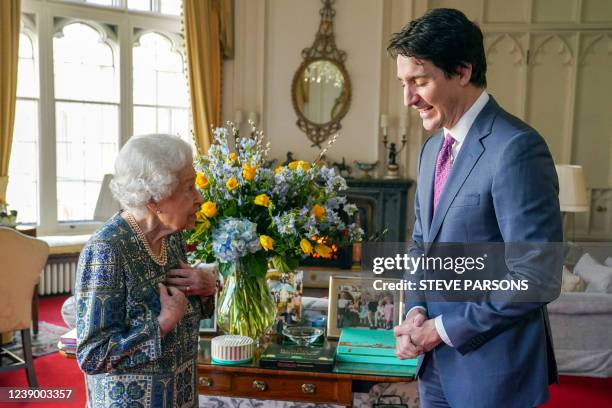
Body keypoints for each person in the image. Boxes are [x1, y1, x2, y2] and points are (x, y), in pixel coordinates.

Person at [388, 9, 562, 408]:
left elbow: (536, 274)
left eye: (420, 81)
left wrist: (442, 329)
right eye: (403, 83)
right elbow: (421, 244)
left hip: (495, 375)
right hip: (434, 370)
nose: (408, 98)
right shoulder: (432, 149)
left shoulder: (516, 148)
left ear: (462, 72)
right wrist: (416, 310)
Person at [75, 134, 218, 408]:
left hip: (181, 396)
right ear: (155, 199)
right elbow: (93, 356)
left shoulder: (171, 236)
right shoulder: (107, 250)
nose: (199, 198)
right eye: (190, 188)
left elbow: (187, 309)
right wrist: (162, 324)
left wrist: (206, 287)